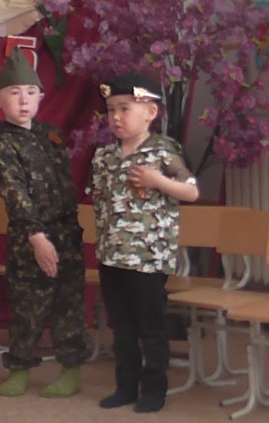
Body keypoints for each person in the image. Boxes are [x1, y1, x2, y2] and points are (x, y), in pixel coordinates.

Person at [0, 48, 91, 399]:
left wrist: (65, 233)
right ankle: (19, 370)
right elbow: (15, 193)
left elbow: (65, 185)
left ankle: (71, 370)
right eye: (14, 93)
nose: (23, 100)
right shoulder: (2, 145)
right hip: (29, 239)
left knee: (69, 303)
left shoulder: (51, 135)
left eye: (30, 92)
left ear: (41, 97)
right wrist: (37, 237)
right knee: (27, 305)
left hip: (66, 233)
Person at [89, 73, 199, 414]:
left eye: (125, 108)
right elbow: (99, 201)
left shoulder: (163, 151)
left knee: (151, 327)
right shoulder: (104, 156)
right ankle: (125, 386)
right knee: (121, 325)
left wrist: (157, 180)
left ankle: (154, 390)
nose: (116, 117)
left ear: (150, 112)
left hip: (148, 258)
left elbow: (191, 191)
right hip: (112, 255)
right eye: (111, 110)